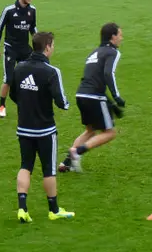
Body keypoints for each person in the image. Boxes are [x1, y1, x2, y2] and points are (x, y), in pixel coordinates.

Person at [10, 32, 75, 222]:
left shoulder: (19, 68)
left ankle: (22, 209)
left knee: (25, 166)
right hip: (45, 129)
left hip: (24, 127)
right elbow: (61, 101)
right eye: (52, 45)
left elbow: (13, 94)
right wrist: (67, 104)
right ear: (47, 47)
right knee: (48, 169)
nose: (53, 48)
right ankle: (53, 210)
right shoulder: (51, 71)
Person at [59, 23, 125, 173]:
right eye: (120, 34)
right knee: (109, 133)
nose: (121, 38)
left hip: (81, 94)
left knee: (90, 131)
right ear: (113, 36)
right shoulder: (112, 52)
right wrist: (116, 96)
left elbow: (95, 78)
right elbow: (108, 74)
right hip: (94, 96)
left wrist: (111, 104)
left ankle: (66, 163)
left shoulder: (94, 52)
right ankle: (78, 152)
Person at [0, 0, 37, 118]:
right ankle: (1, 106)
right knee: (8, 79)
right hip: (11, 49)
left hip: (25, 49)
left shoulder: (32, 10)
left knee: (30, 78)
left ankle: (27, 104)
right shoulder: (9, 10)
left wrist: (39, 45)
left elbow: (33, 29)